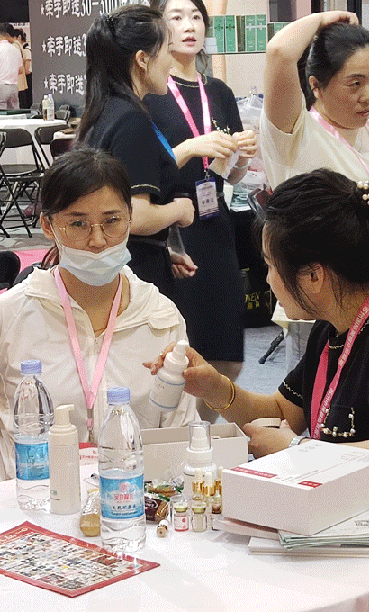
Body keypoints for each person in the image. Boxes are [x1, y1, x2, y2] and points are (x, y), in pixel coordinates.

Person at [148, 167, 369, 612]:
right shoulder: (334, 325)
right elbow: (282, 411)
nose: (268, 280)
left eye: (272, 266)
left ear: (313, 275)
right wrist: (215, 387)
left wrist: (296, 450)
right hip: (356, 533)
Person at [0, 148, 200, 478]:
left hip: (132, 498)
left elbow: (182, 432)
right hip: (39, 500)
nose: (97, 240)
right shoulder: (11, 314)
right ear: (48, 225)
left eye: (112, 221)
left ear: (130, 218)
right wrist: (4, 470)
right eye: (78, 223)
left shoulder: (159, 316)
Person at [146, 0, 256, 388]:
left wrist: (242, 156)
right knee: (179, 351)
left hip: (215, 222)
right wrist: (191, 147)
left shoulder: (219, 92)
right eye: (176, 17)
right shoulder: (150, 93)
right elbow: (145, 171)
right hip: (171, 228)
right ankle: (179, 423)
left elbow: (229, 174)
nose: (189, 25)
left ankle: (201, 422)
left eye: (196, 17)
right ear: (159, 28)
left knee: (228, 355)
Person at [78, 5, 195, 301]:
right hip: (134, 277)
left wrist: (161, 249)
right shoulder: (132, 120)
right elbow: (136, 216)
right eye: (167, 50)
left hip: (112, 267)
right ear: (142, 59)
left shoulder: (105, 111)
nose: (171, 62)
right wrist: (180, 210)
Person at [260, 12, 369, 191]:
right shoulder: (295, 134)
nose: (368, 96)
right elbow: (279, 51)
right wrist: (321, 19)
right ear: (316, 85)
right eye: (355, 84)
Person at [15, 29, 32, 108]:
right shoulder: (21, 49)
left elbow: (26, 70)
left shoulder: (26, 50)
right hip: (23, 78)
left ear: (19, 37)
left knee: (26, 100)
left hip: (27, 78)